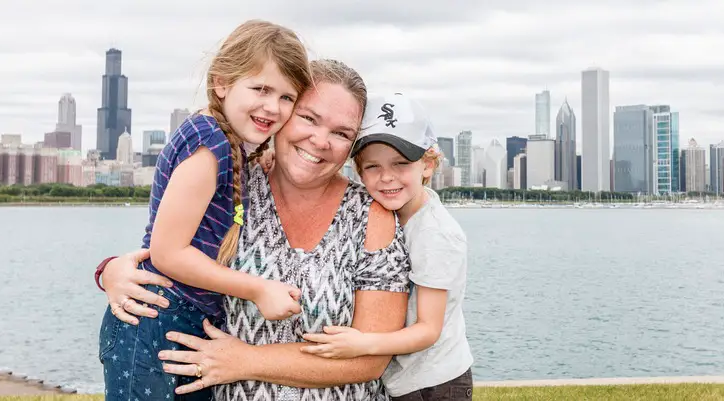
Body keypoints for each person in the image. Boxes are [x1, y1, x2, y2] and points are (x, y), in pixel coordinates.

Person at [97, 59, 411, 400]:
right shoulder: (233, 183)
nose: (320, 140)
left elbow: (370, 360)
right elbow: (170, 250)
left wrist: (248, 360)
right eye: (309, 118)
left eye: (341, 133)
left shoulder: (371, 216)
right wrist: (113, 271)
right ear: (282, 113)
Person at [95, 19, 311, 400]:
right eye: (260, 88)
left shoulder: (235, 148)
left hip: (183, 318)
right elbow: (168, 252)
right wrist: (258, 289)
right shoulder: (208, 143)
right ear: (222, 82)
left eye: (286, 98)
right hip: (155, 318)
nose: (272, 107)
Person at [298, 93, 474, 400]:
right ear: (358, 169)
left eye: (401, 163)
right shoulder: (389, 211)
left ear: (428, 164)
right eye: (373, 167)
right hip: (403, 379)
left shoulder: (435, 235)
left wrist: (362, 344)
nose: (387, 177)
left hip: (434, 384)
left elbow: (428, 329)